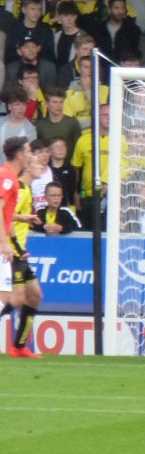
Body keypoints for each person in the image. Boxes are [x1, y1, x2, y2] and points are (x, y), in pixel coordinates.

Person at [0, 138, 39, 357]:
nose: (31, 154)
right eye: (28, 151)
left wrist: (20, 221)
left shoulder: (10, 177)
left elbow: (5, 215)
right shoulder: (7, 177)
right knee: (8, 297)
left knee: (8, 296)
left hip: (6, 243)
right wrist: (4, 242)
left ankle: (19, 346)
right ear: (19, 155)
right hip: (1, 245)